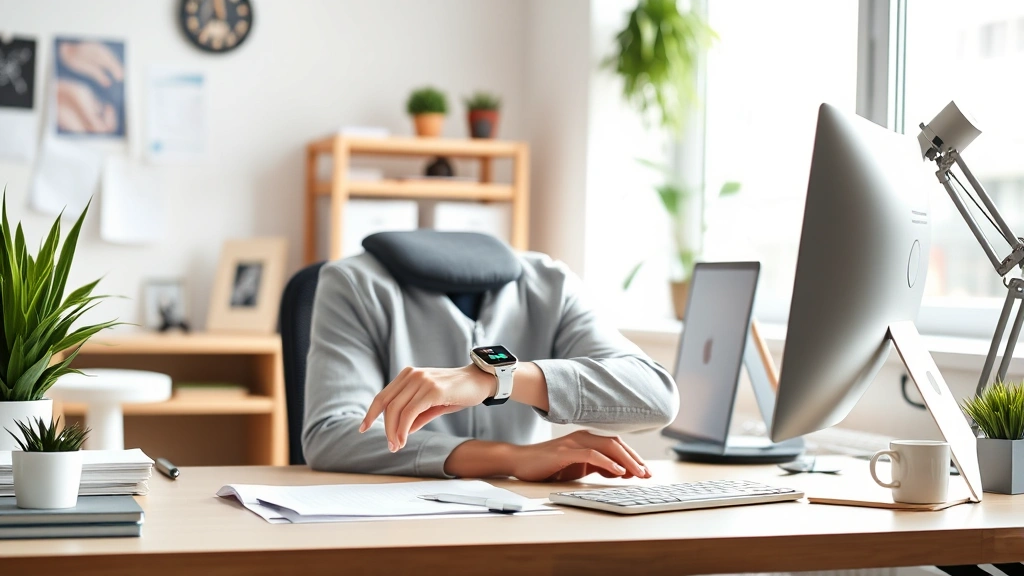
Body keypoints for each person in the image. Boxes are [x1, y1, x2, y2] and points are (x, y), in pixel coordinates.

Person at [302, 250, 679, 481]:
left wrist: (493, 380)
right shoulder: (353, 283)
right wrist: (513, 458)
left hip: (524, 516)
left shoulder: (551, 284)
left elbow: (657, 396)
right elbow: (330, 433)